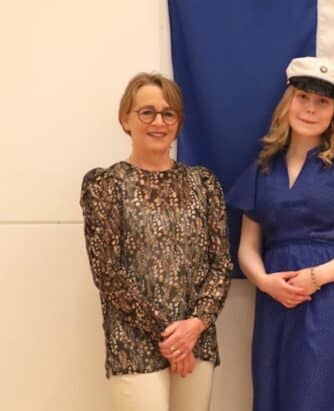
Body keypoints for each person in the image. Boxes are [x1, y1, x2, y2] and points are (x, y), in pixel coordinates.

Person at [227, 57, 334, 411]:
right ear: (288, 102)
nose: (310, 109)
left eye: (322, 101)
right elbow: (248, 246)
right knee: (277, 393)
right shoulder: (262, 169)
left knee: (323, 395)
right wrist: (264, 281)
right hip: (277, 300)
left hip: (333, 298)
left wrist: (317, 277)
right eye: (303, 97)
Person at [80, 73, 232, 411]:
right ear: (126, 119)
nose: (158, 122)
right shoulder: (105, 185)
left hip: (196, 339)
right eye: (147, 112)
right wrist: (170, 337)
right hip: (133, 343)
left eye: (168, 113)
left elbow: (221, 265)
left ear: (179, 122)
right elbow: (107, 272)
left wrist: (194, 327)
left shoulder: (204, 184)